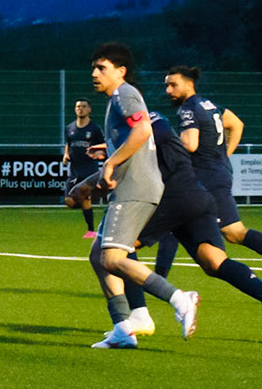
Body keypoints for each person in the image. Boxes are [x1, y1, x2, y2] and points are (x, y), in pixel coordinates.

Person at [101, 115, 262, 347]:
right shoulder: (131, 132)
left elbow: (153, 134)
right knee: (214, 260)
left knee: (117, 246)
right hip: (195, 197)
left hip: (173, 198)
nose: (168, 89)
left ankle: (140, 314)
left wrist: (117, 154)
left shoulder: (153, 122)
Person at [84, 43, 198, 349]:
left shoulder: (125, 93)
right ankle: (123, 326)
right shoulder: (114, 100)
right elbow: (134, 137)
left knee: (112, 257)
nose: (94, 73)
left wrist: (111, 161)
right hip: (129, 187)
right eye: (94, 68)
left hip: (136, 188)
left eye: (101, 68)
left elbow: (144, 130)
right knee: (98, 256)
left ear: (120, 71)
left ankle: (180, 299)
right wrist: (109, 151)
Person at [151, 66, 260, 279]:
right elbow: (237, 124)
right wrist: (224, 155)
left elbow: (190, 144)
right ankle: (160, 280)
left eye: (173, 85)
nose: (168, 90)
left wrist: (164, 145)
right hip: (216, 173)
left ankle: (158, 281)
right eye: (166, 85)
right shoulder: (209, 105)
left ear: (189, 84)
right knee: (175, 224)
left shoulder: (188, 109)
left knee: (234, 232)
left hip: (205, 177)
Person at [61, 97, 106, 240]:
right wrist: (66, 154)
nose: (80, 108)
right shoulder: (70, 128)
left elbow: (104, 145)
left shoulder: (94, 129)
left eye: (84, 106)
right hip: (74, 171)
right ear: (75, 109)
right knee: (69, 201)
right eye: (78, 106)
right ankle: (88, 208)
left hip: (89, 170)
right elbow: (68, 143)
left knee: (85, 198)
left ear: (89, 110)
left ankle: (91, 230)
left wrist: (100, 153)